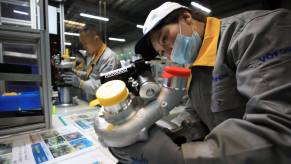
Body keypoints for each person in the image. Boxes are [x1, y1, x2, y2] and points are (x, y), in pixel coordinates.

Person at [109, 2, 291, 164]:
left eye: (165, 39)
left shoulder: (257, 32)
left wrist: (179, 157)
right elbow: (196, 112)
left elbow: (279, 130)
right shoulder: (193, 64)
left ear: (186, 17)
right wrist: (174, 136)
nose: (170, 54)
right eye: (162, 52)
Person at [62, 25, 120, 101]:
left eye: (85, 43)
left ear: (96, 39)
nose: (84, 47)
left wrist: (81, 83)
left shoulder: (109, 57)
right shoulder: (95, 56)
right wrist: (76, 72)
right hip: (95, 103)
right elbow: (91, 76)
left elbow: (105, 86)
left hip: (107, 105)